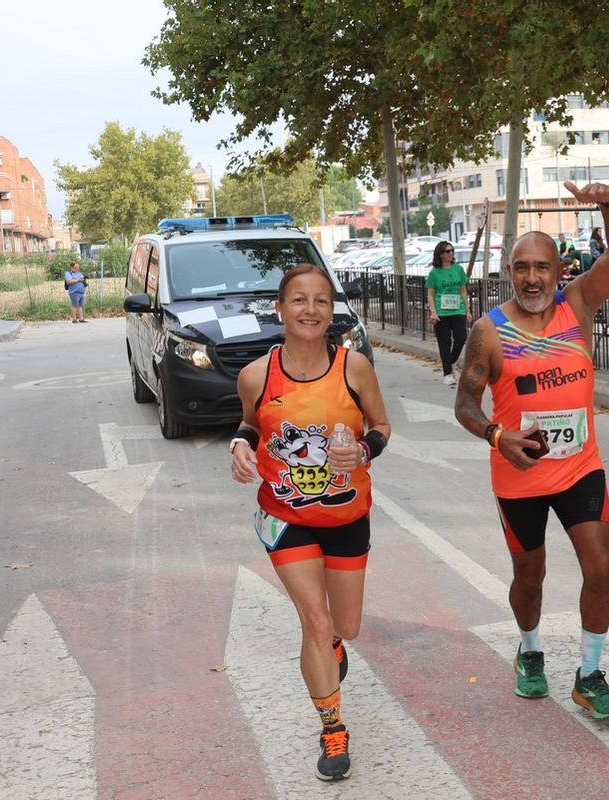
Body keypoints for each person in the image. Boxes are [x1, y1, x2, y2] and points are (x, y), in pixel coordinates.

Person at [454, 180, 609, 720]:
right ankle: (530, 651)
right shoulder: (489, 331)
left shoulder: (577, 305)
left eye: (541, 267)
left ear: (559, 271)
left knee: (601, 568)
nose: (531, 278)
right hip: (520, 474)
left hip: (580, 468)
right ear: (509, 273)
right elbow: (465, 404)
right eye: (521, 268)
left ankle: (589, 674)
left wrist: (607, 206)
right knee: (529, 577)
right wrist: (496, 436)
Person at [229, 264, 392, 781]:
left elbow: (381, 426)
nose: (310, 309)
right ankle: (332, 728)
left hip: (347, 514)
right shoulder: (255, 376)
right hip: (285, 517)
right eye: (298, 299)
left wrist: (363, 451)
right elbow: (251, 422)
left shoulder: (354, 368)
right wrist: (239, 445)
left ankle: (335, 643)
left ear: (331, 311)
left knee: (345, 626)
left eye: (321, 300)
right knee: (315, 622)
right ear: (280, 308)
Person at [425, 241, 472, 386]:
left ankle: (450, 361)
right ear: (440, 255)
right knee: (444, 343)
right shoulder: (434, 272)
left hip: (458, 309)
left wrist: (467, 310)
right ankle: (448, 373)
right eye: (447, 251)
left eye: (452, 250)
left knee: (461, 338)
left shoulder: (458, 269)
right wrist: (433, 312)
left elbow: (463, 290)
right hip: (441, 312)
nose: (451, 253)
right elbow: (431, 294)